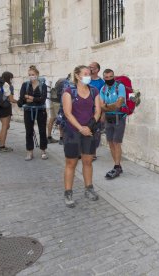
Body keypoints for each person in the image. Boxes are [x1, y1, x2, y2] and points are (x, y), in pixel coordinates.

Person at [62, 65, 101, 208]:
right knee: (71, 163)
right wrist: (80, 128)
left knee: (88, 161)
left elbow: (98, 110)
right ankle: (68, 193)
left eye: (89, 73)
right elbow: (67, 113)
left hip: (89, 132)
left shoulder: (94, 91)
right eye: (85, 73)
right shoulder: (69, 92)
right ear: (77, 76)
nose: (88, 76)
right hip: (72, 132)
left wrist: (89, 127)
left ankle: (88, 189)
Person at [99, 69, 126, 179]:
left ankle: (116, 167)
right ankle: (118, 165)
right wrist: (110, 106)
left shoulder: (120, 86)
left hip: (119, 118)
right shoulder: (103, 89)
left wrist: (107, 106)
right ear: (104, 78)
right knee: (110, 142)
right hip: (108, 118)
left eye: (111, 76)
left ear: (113, 76)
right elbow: (101, 105)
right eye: (107, 77)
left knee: (116, 142)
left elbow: (119, 104)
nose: (109, 79)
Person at [17, 65, 48, 161]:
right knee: (29, 131)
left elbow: (42, 100)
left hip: (40, 111)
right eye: (29, 75)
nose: (31, 76)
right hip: (28, 111)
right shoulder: (25, 85)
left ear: (37, 74)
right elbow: (22, 98)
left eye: (33, 74)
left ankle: (43, 151)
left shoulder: (43, 86)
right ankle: (30, 152)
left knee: (42, 131)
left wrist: (30, 98)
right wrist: (32, 99)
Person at [0, 71, 17, 152]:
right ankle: (2, 146)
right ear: (9, 78)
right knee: (5, 127)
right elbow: (11, 99)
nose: (12, 80)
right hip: (5, 108)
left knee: (6, 126)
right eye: (11, 78)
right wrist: (20, 101)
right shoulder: (9, 86)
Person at [89, 62, 105, 161]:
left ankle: (93, 153)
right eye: (89, 67)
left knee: (94, 132)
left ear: (97, 70)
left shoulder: (101, 83)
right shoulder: (85, 80)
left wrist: (102, 113)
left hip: (96, 110)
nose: (90, 69)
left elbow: (103, 99)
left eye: (92, 67)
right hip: (84, 110)